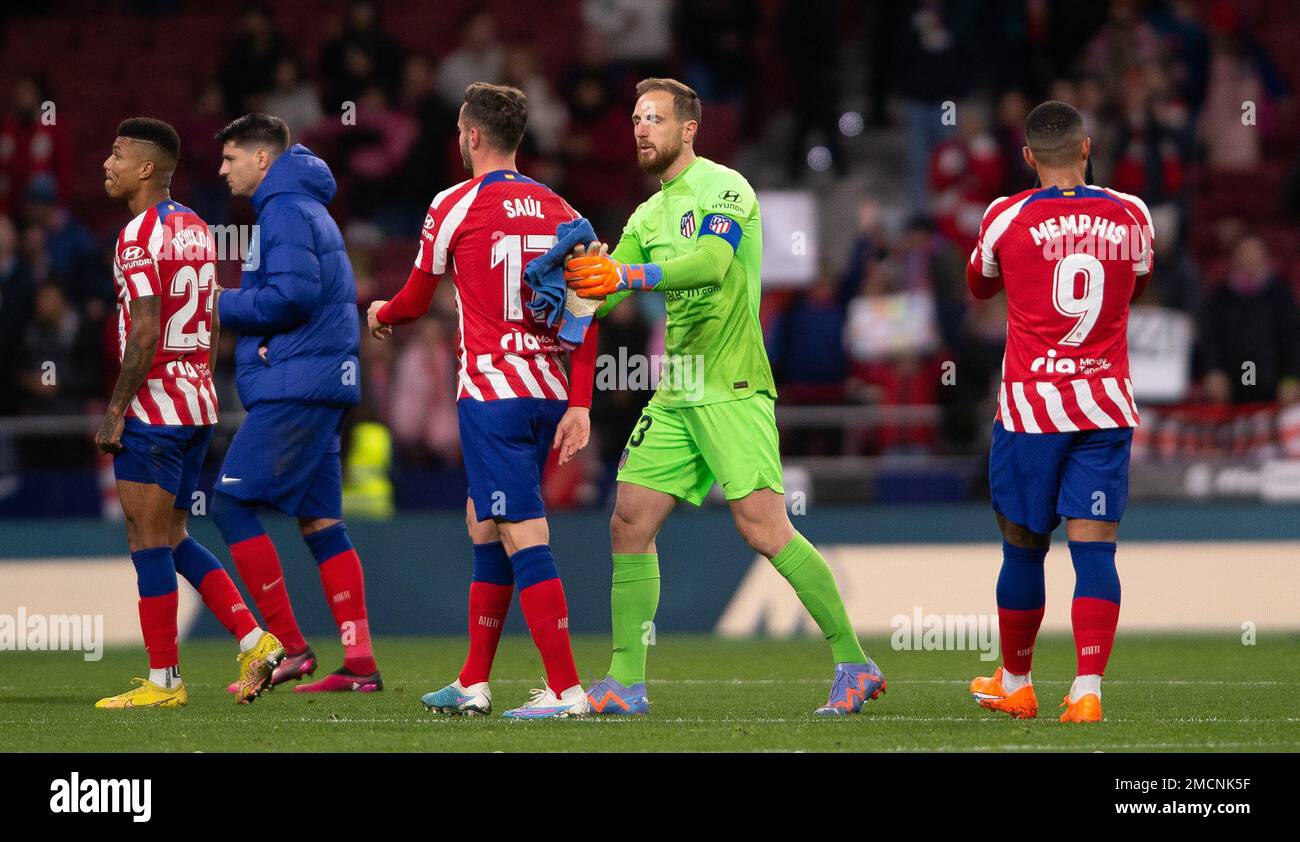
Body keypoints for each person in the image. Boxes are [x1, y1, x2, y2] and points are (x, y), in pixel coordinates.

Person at [564, 78, 883, 717]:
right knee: (629, 520)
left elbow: (711, 263)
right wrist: (571, 285)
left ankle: (855, 662)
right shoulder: (648, 216)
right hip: (678, 392)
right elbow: (609, 293)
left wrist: (629, 274)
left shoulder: (726, 188)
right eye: (634, 118)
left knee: (764, 528)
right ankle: (626, 682)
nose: (639, 128)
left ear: (688, 129)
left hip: (733, 386)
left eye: (653, 118)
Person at [368, 83, 599, 719]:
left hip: (492, 396)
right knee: (483, 520)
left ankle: (567, 690)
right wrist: (579, 403)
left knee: (523, 531)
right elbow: (590, 308)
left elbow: (415, 301)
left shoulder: (452, 205)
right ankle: (473, 681)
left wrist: (380, 312)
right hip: (549, 391)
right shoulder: (562, 208)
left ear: (470, 136)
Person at [965, 101, 1153, 723]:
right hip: (1104, 406)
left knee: (1023, 551)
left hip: (1030, 413)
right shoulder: (1132, 214)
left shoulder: (1004, 216)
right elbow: (1137, 283)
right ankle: (1087, 691)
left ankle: (1017, 680)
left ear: (1027, 158)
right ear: (1087, 147)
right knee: (1095, 551)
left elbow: (979, 286)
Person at [93, 117, 281, 709]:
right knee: (173, 535)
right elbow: (215, 315)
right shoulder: (200, 230)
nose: (108, 163)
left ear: (146, 168)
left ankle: (164, 681)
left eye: (118, 154)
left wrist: (115, 410)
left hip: (153, 409)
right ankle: (254, 640)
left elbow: (145, 329)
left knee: (146, 541)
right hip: (197, 402)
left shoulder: (135, 238)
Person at [211, 114, 381, 693]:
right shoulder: (303, 205)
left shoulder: (282, 208)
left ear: (263, 160)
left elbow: (293, 295)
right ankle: (359, 664)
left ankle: (287, 646)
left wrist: (221, 304)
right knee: (322, 523)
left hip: (299, 385)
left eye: (231, 157)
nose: (222, 169)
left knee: (230, 504)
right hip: (321, 379)